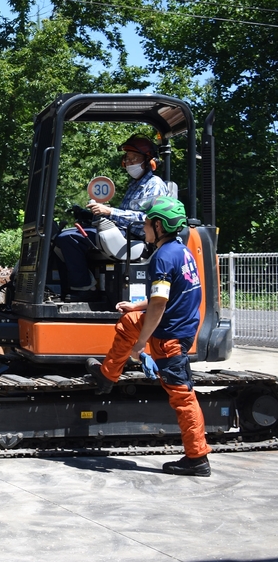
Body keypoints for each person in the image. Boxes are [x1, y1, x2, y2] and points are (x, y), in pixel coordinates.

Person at [86, 196, 210, 477]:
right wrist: (135, 307)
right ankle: (108, 374)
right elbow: (166, 297)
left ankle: (197, 457)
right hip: (181, 327)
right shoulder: (181, 252)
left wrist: (141, 345)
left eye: (147, 223)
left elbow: (159, 304)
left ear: (159, 225)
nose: (143, 228)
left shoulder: (162, 258)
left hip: (169, 335)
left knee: (182, 397)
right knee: (128, 321)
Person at [54, 135, 169, 292]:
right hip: (121, 232)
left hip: (133, 237)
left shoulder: (153, 185)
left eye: (133, 158)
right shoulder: (135, 185)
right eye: (127, 159)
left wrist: (109, 211)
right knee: (60, 239)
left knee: (68, 238)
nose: (129, 163)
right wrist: (91, 214)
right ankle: (78, 284)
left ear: (148, 160)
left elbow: (147, 220)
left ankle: (83, 288)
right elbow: (124, 215)